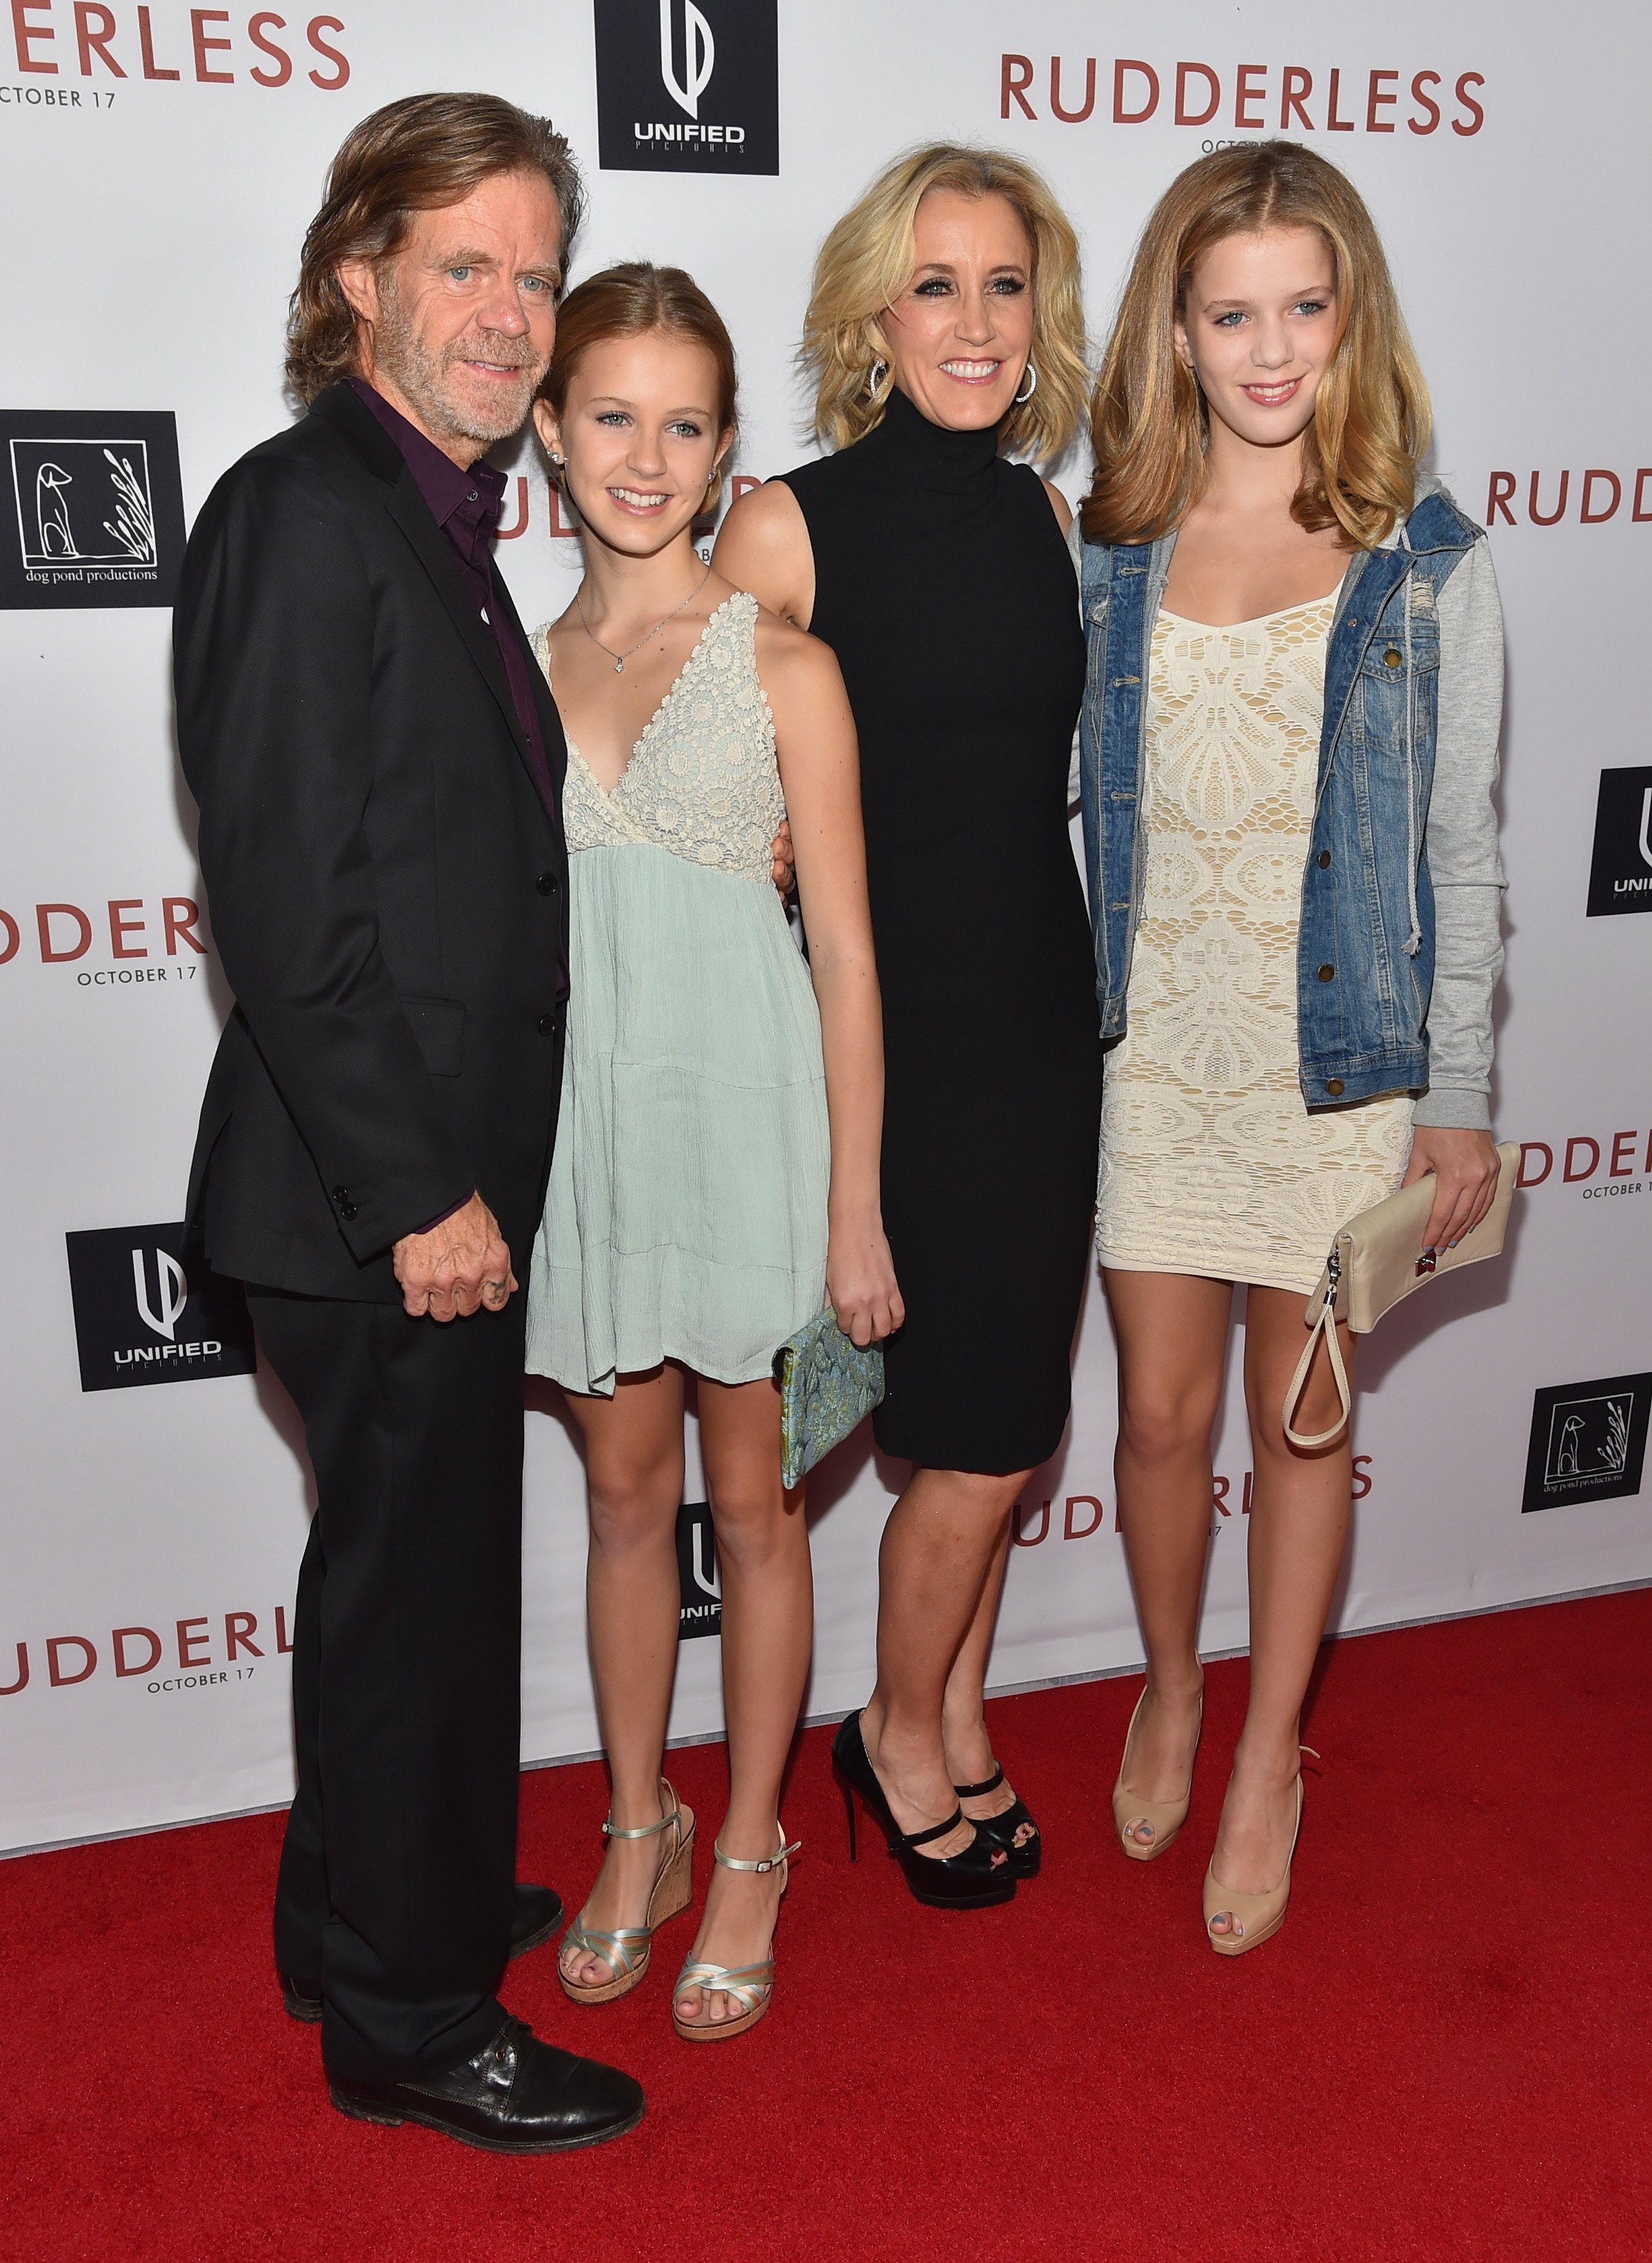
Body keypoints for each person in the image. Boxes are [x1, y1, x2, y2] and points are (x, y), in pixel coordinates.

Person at [174, 94, 644, 2146]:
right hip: (380, 1202)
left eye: (533, 272)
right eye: (464, 263)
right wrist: (421, 1195)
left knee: (394, 1580)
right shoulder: (304, 514)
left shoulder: (436, 523)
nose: (508, 312)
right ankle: (410, 2014)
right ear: (359, 273)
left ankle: (369, 1904)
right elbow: (286, 912)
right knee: (419, 1594)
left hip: (412, 1186)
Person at [1074, 141, 1505, 1953]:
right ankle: (1171, 1679)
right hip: (1146, 1053)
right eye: (1230, 311)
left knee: (1298, 1422)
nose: (1267, 353)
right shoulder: (1108, 537)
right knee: (1161, 1417)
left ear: (1352, 322)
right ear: (1174, 325)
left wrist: (1462, 1095)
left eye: (1301, 311)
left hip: (1341, 1066)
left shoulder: (1427, 560)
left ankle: (1267, 1749)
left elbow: (1464, 847)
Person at [715, 145, 1101, 1907]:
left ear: (1042, 315)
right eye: (935, 284)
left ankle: (943, 1710)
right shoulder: (787, 523)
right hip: (882, 1042)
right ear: (876, 311)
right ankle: (890, 1729)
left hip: (1037, 1014)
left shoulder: (1039, 513)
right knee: (972, 1431)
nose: (972, 320)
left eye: (1004, 285)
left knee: (1005, 1419)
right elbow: (708, 806)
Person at [523, 264, 899, 2038]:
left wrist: (854, 1209)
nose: (646, 455)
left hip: (755, 1135)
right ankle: (633, 1826)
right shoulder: (510, 670)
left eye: (684, 423)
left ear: (730, 448)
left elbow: (845, 958)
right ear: (548, 429)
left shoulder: (789, 670)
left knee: (751, 1511)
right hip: (593, 1141)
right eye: (611, 414)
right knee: (617, 1499)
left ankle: (748, 1843)